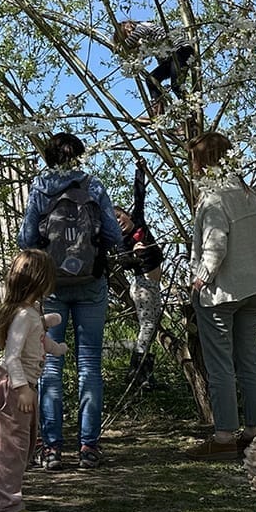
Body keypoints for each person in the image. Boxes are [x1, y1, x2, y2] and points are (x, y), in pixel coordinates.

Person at [17, 131, 123, 470]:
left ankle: (51, 449)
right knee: (89, 365)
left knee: (50, 365)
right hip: (91, 283)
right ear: (78, 155)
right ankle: (88, 447)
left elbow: (26, 238)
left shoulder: (40, 187)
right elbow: (114, 235)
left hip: (52, 286)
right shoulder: (93, 186)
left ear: (49, 157)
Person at [184, 131, 256, 458]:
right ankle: (252, 434)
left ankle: (223, 437)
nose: (193, 167)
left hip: (221, 293)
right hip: (254, 288)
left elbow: (215, 247)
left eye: (195, 161)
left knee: (220, 364)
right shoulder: (251, 196)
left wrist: (200, 280)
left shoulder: (214, 200)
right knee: (249, 359)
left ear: (204, 163)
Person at [0, 249, 66, 512]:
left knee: (23, 443)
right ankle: (4, 504)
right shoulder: (23, 315)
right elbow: (12, 355)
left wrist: (56, 347)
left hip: (21, 383)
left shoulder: (31, 313)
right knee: (14, 445)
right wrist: (22, 388)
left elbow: (37, 340)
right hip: (14, 385)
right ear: (40, 280)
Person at [114, 161, 165, 392]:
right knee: (147, 327)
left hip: (154, 285)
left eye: (119, 216)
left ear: (126, 213)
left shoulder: (139, 221)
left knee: (151, 329)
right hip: (143, 286)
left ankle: (146, 376)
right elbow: (124, 263)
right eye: (114, 222)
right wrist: (134, 255)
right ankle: (136, 373)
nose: (119, 222)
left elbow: (139, 194)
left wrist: (140, 171)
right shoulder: (122, 242)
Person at [115, 20, 195, 116]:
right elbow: (142, 54)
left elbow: (139, 33)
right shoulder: (146, 40)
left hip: (181, 50)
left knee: (176, 85)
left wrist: (123, 47)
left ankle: (190, 113)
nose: (130, 37)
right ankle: (158, 114)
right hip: (171, 58)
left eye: (127, 35)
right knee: (151, 80)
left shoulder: (143, 25)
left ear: (129, 27)